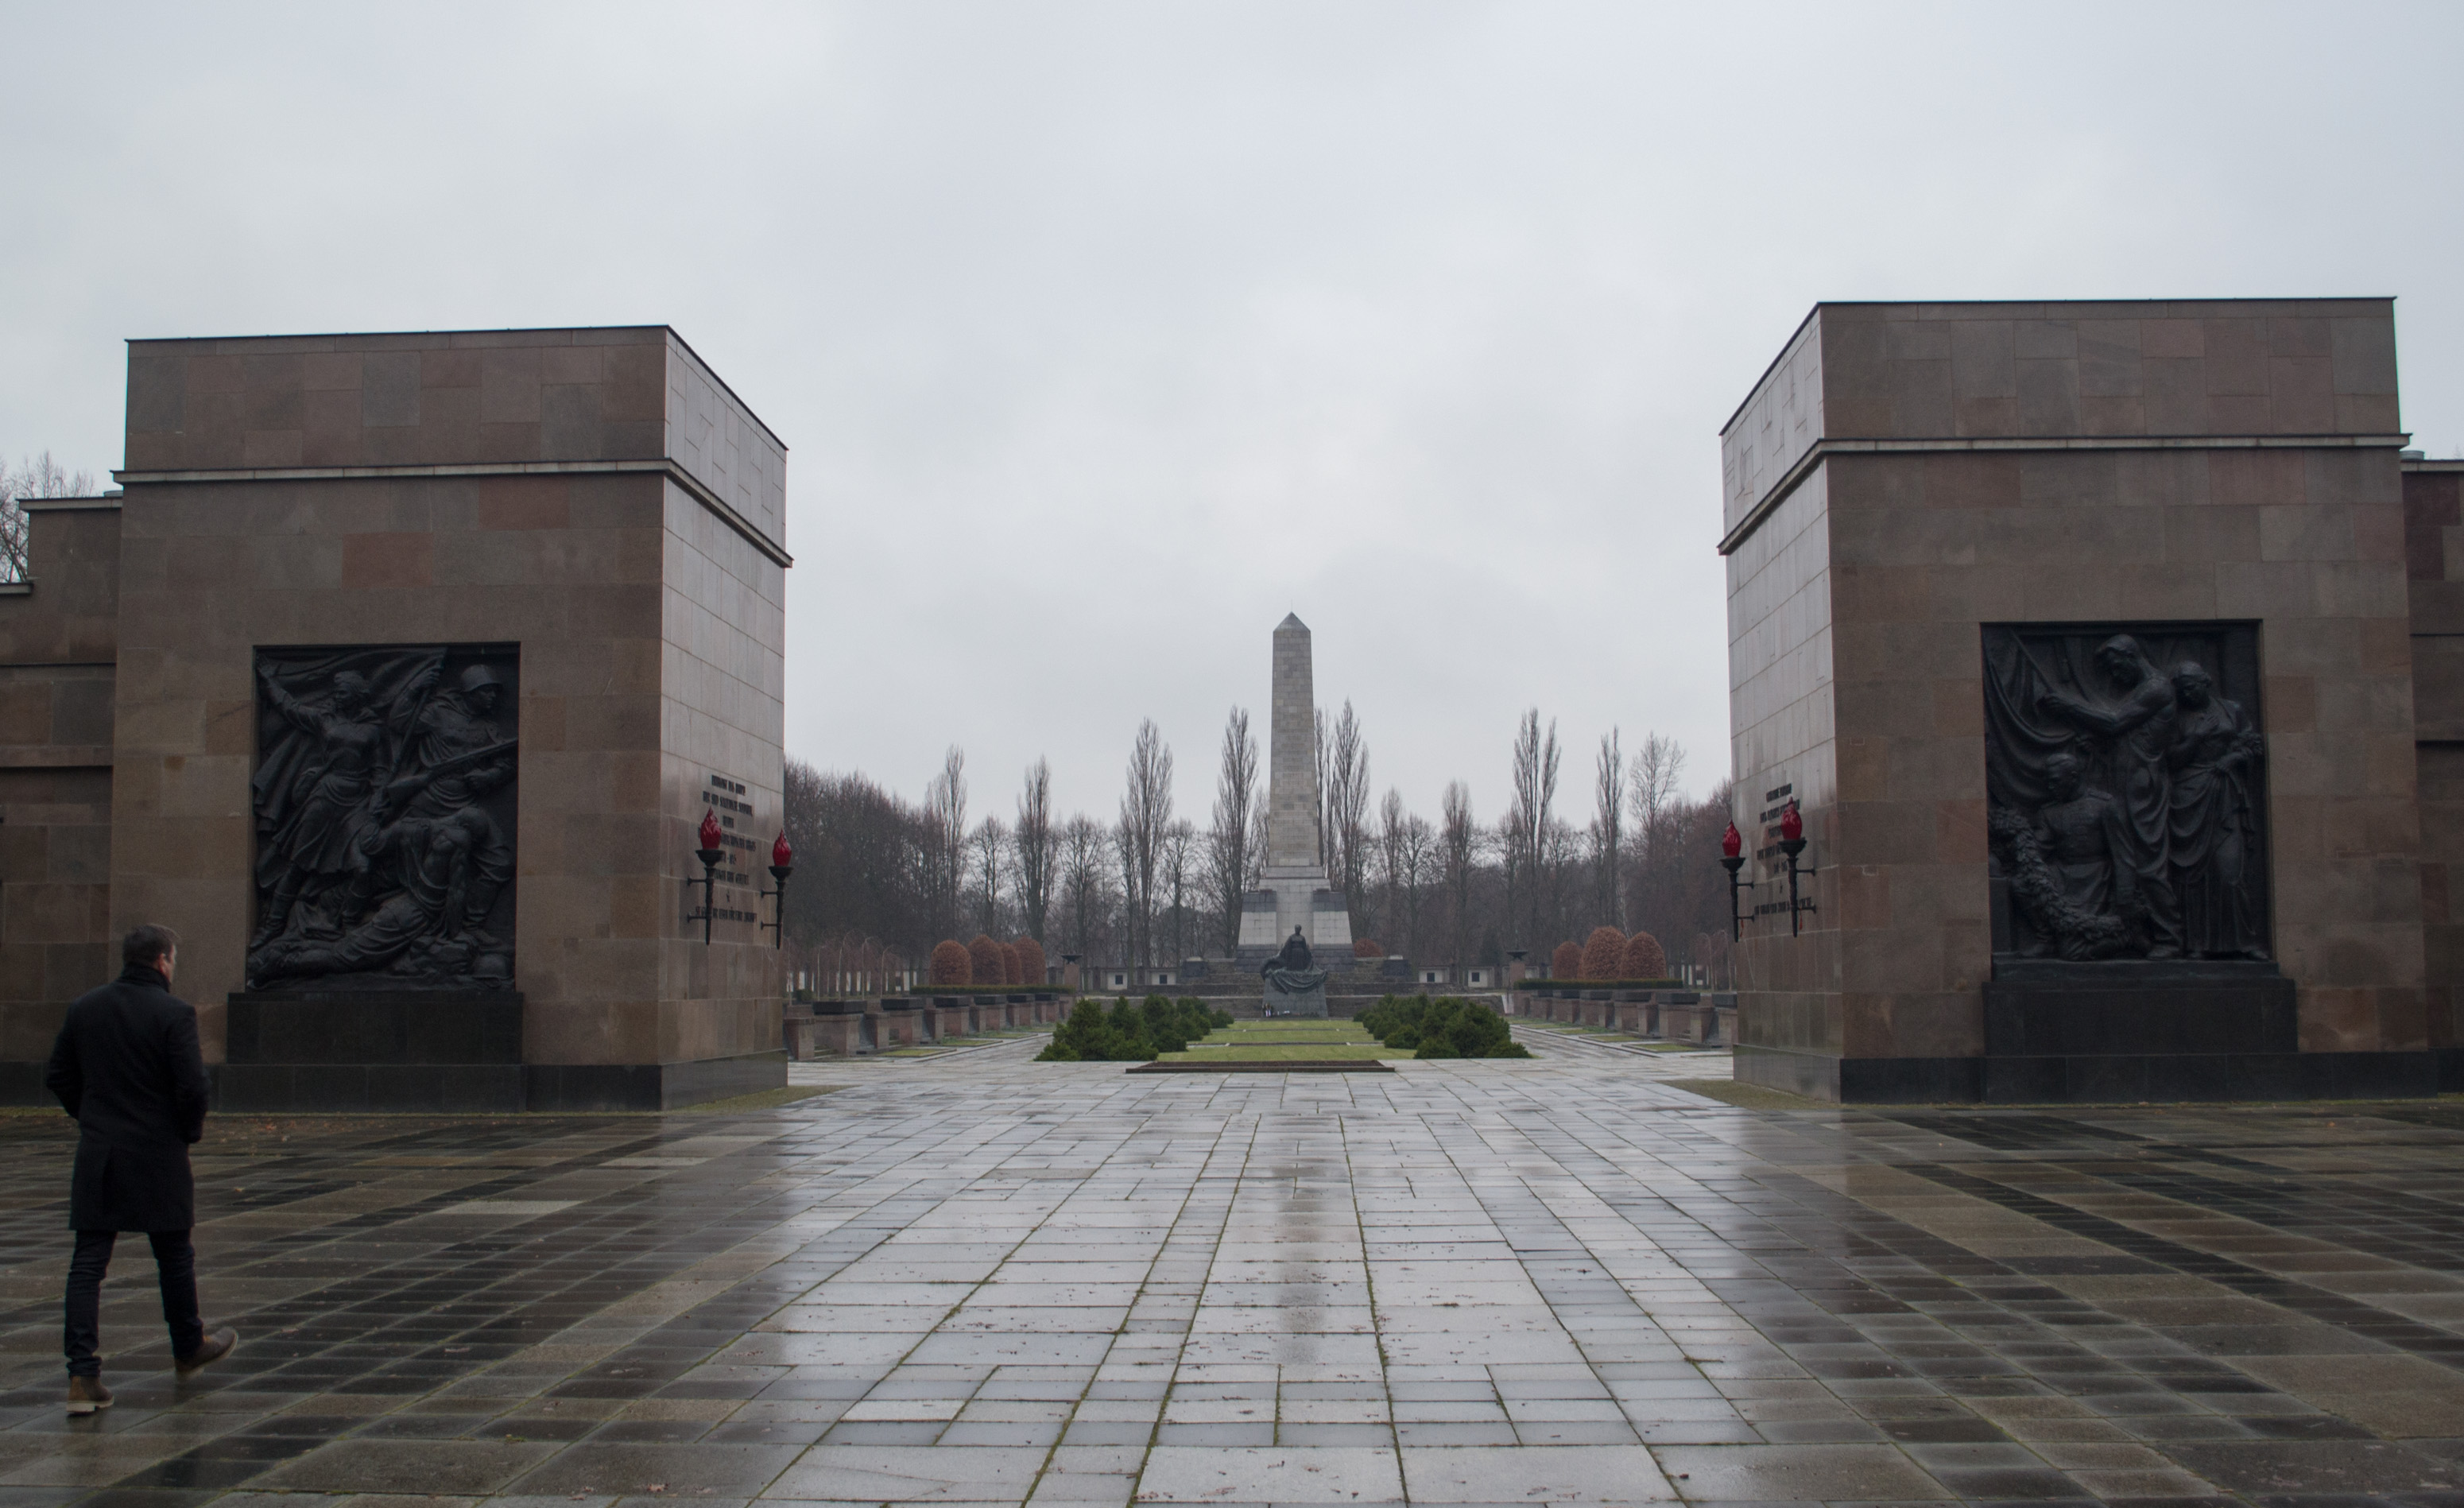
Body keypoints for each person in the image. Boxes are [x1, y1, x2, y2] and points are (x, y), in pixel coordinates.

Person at [44, 925, 238, 1413]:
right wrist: (187, 1132)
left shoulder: (85, 1007)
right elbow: (193, 1087)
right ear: (163, 962)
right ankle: (188, 1346)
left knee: (88, 1263)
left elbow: (58, 1076)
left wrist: (90, 1118)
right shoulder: (174, 1013)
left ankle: (82, 1375)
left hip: (101, 1152)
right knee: (174, 1255)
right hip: (158, 1152)